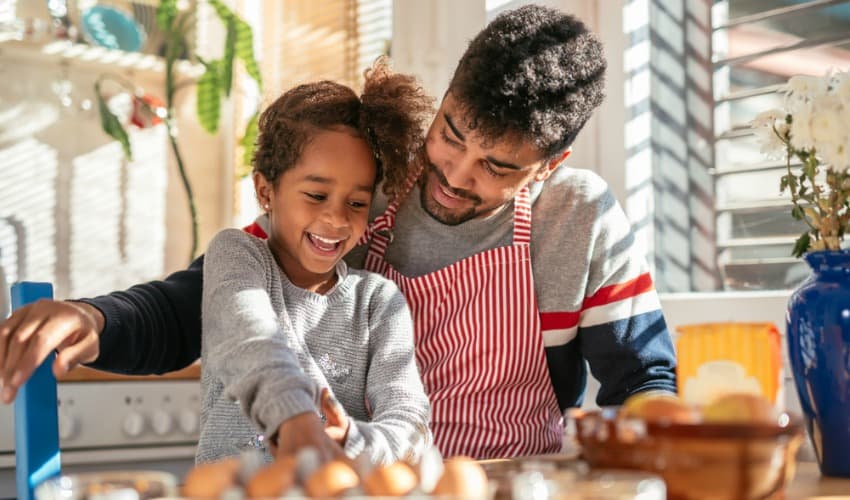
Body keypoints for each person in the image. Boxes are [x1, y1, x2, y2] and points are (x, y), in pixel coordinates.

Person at [0, 5, 676, 459]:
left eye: (497, 167)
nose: (454, 174)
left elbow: (643, 376)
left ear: (548, 165)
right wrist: (97, 319)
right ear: (444, 100)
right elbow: (215, 300)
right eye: (451, 134)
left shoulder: (577, 218)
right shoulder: (365, 189)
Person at [196, 60, 433, 465]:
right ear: (265, 191)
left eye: (356, 203)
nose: (337, 219)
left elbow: (409, 420)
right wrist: (296, 420)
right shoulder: (236, 256)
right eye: (317, 196)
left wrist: (353, 442)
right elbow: (251, 339)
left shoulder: (377, 301)